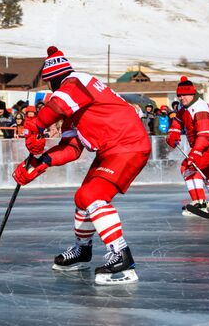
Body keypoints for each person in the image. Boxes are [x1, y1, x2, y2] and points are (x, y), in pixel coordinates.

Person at [12, 46, 151, 285]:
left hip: (127, 146)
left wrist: (36, 126)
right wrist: (40, 162)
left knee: (92, 195)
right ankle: (82, 249)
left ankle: (121, 254)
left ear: (52, 80)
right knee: (82, 198)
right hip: (112, 150)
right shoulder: (74, 106)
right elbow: (71, 149)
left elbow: (55, 107)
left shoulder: (76, 81)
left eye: (48, 84)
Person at [166, 76, 209, 216]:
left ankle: (199, 204)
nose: (181, 98)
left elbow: (205, 135)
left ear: (192, 94)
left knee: (189, 168)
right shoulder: (186, 107)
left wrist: (195, 153)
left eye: (184, 95)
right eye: (179, 95)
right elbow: (178, 119)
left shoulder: (199, 109)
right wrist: (173, 132)